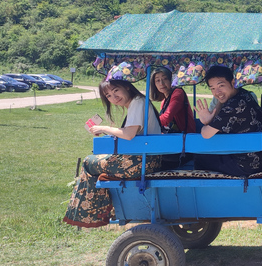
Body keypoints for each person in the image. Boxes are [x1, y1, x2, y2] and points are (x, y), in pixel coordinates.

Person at [64, 79, 162, 228]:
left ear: (127, 87)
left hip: (141, 162)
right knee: (94, 160)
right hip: (147, 158)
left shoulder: (137, 102)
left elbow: (129, 134)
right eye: (108, 95)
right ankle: (101, 210)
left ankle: (94, 213)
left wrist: (103, 128)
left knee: (88, 162)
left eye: (116, 90)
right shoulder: (138, 102)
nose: (113, 97)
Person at [194, 65, 262, 176]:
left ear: (232, 82)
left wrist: (206, 122)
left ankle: (210, 192)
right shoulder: (244, 94)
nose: (217, 92)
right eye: (212, 88)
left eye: (221, 86)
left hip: (249, 165)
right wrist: (220, 101)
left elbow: (206, 134)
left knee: (200, 157)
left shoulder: (233, 106)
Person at [150, 67, 197, 169]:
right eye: (157, 80)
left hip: (185, 144)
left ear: (171, 80)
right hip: (174, 141)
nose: (161, 83)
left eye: (165, 79)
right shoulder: (164, 101)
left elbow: (166, 118)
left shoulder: (178, 92)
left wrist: (148, 123)